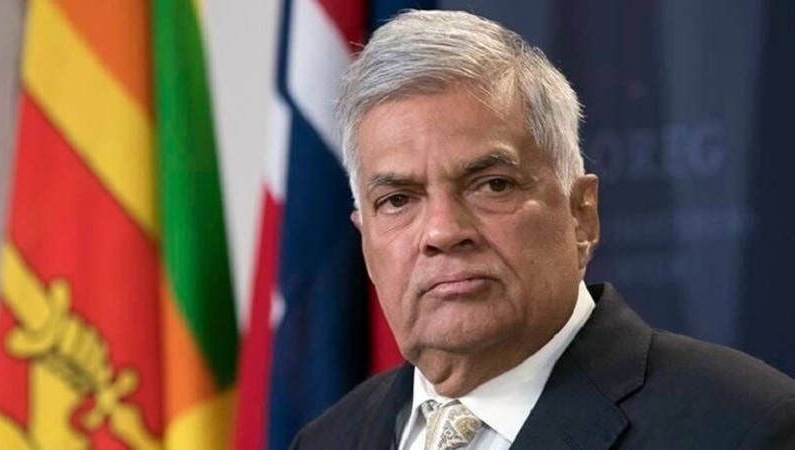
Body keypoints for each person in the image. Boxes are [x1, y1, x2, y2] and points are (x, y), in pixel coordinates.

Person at [290, 10, 795, 450]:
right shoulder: (326, 440)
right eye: (398, 200)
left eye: (492, 185)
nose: (442, 231)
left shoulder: (744, 426)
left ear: (581, 215)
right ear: (365, 239)